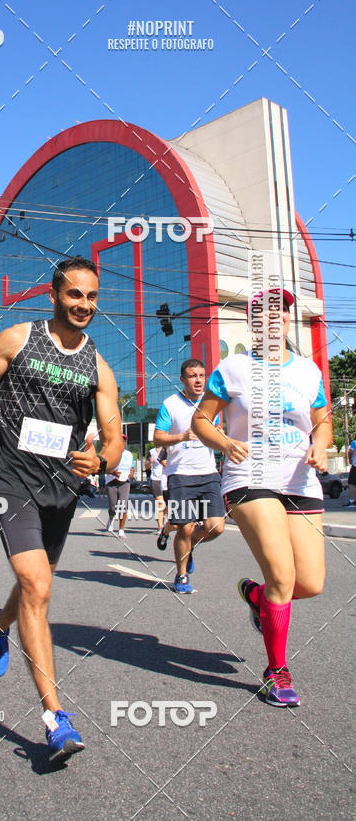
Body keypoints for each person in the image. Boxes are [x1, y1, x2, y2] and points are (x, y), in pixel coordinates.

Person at [0, 256, 123, 762]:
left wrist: (99, 459)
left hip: (61, 486)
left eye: (92, 297)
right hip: (10, 474)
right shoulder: (17, 339)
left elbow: (113, 441)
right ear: (54, 295)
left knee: (36, 581)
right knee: (38, 585)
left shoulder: (97, 366)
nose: (84, 305)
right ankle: (55, 718)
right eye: (75, 295)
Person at [192, 288, 330, 707]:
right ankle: (276, 672)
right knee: (282, 577)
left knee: (309, 583)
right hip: (249, 477)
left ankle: (257, 596)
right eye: (265, 315)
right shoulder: (233, 368)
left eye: (282, 314)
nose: (275, 320)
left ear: (289, 321)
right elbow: (201, 421)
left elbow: (322, 424)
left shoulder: (308, 372)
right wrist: (223, 443)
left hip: (301, 481)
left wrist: (322, 444)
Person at [153, 359, 225, 594]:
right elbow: (158, 438)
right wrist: (181, 437)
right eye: (193, 376)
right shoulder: (170, 404)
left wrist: (219, 435)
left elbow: (217, 434)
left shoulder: (211, 403)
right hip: (180, 474)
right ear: (183, 380)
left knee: (216, 527)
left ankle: (188, 545)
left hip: (208, 472)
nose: (198, 380)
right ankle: (181, 575)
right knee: (183, 527)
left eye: (202, 375)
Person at [105, 435, 134, 538]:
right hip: (112, 481)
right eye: (121, 441)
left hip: (124, 482)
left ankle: (121, 530)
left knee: (123, 506)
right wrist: (113, 473)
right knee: (113, 507)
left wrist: (131, 474)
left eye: (124, 441)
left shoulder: (129, 454)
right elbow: (104, 468)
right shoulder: (109, 453)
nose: (123, 443)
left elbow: (132, 467)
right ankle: (111, 518)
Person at [147, 445, 167, 533]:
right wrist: (150, 462)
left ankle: (161, 515)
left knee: (169, 505)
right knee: (160, 503)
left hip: (166, 479)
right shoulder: (151, 451)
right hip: (155, 479)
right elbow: (146, 466)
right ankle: (160, 527)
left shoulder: (168, 450)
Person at [347, 438, 356, 508]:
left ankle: (352, 501)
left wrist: (350, 459)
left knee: (352, 483)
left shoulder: (354, 442)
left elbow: (350, 451)